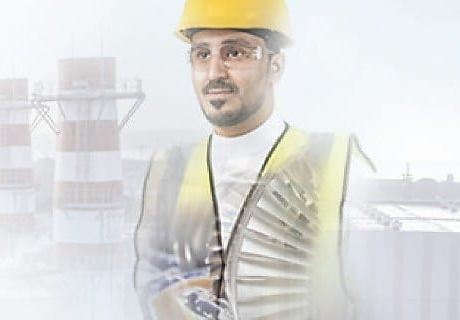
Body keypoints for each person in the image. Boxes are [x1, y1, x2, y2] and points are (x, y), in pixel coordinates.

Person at [132, 0, 371, 318]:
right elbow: (148, 291)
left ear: (276, 66)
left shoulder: (340, 166)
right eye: (202, 54)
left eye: (235, 53)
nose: (215, 72)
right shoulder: (168, 170)